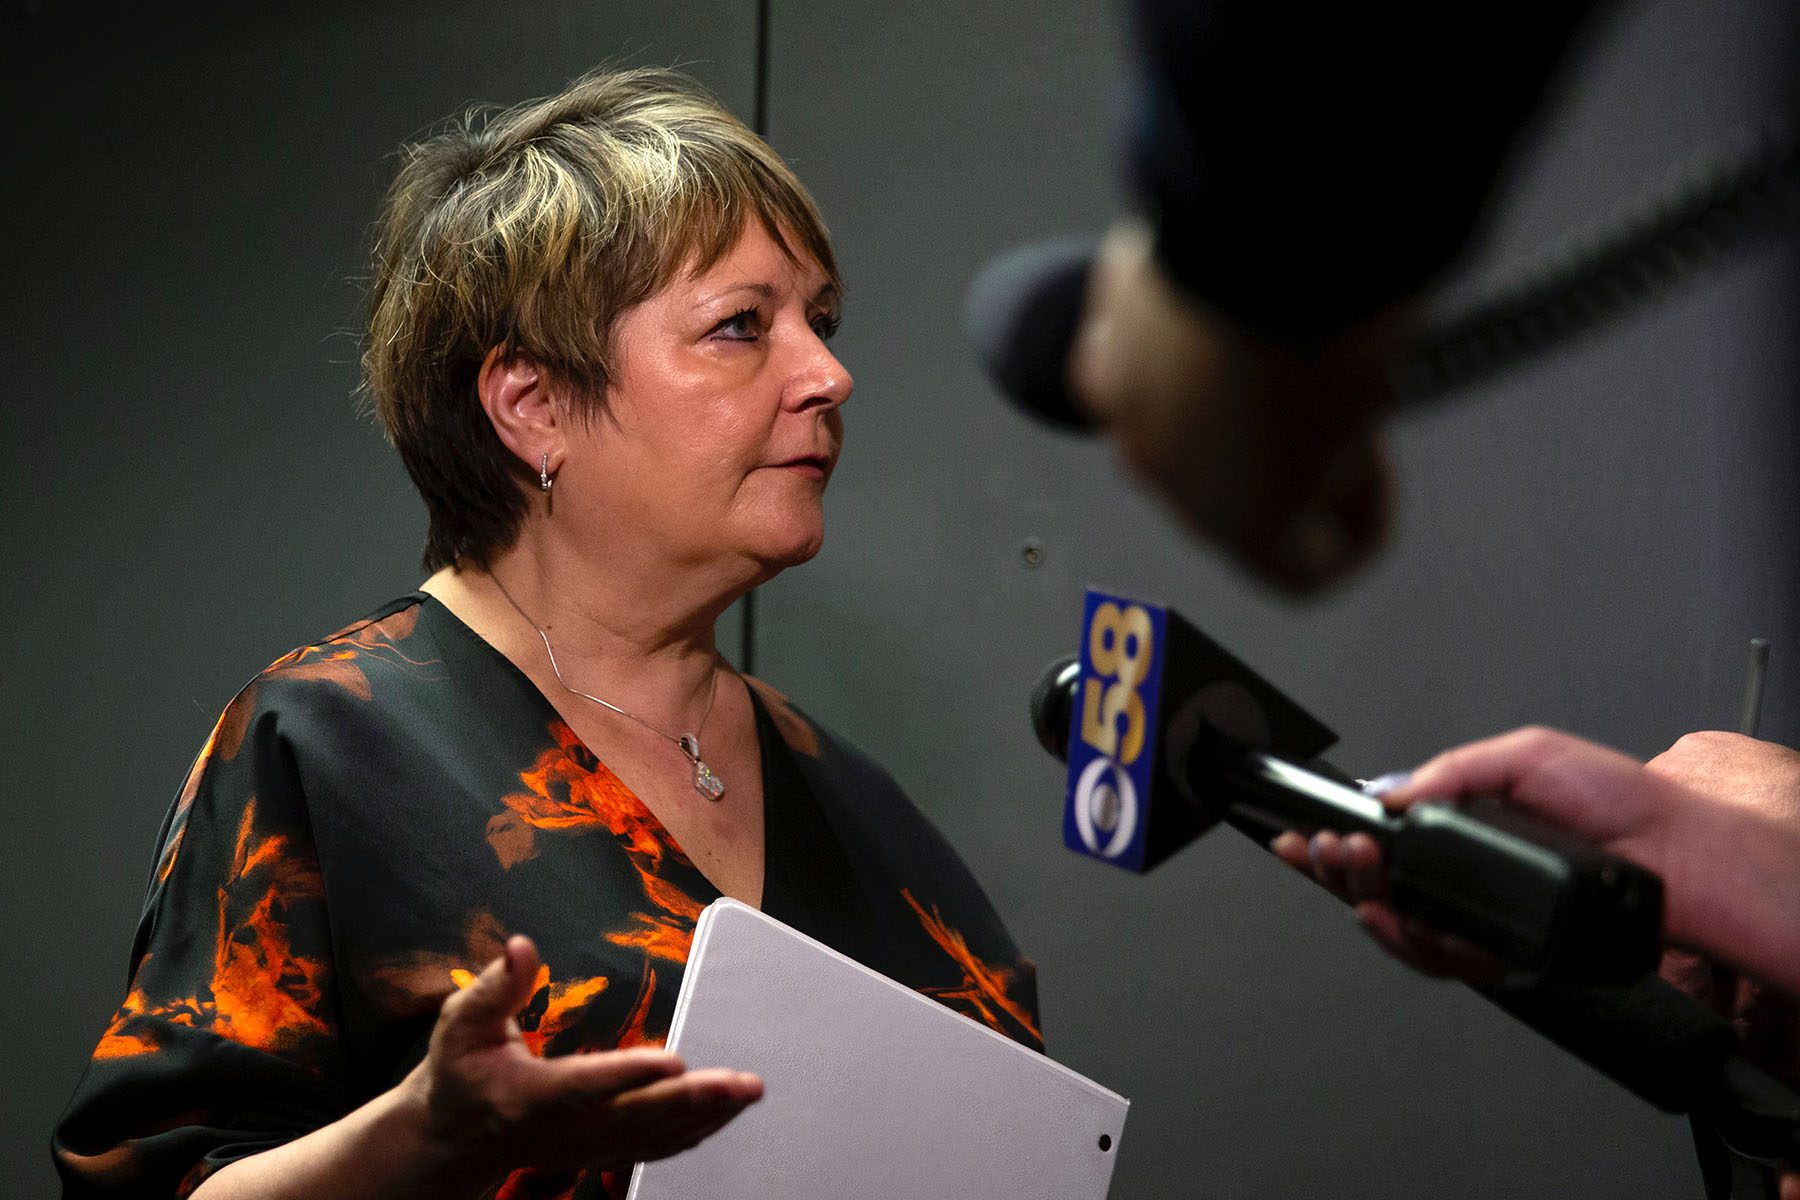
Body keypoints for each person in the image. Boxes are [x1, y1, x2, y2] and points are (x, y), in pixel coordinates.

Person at [54, 68, 1041, 1200]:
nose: (828, 375)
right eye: (740, 328)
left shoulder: (862, 806)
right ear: (534, 407)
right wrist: (421, 1133)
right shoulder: (329, 746)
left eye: (818, 323)